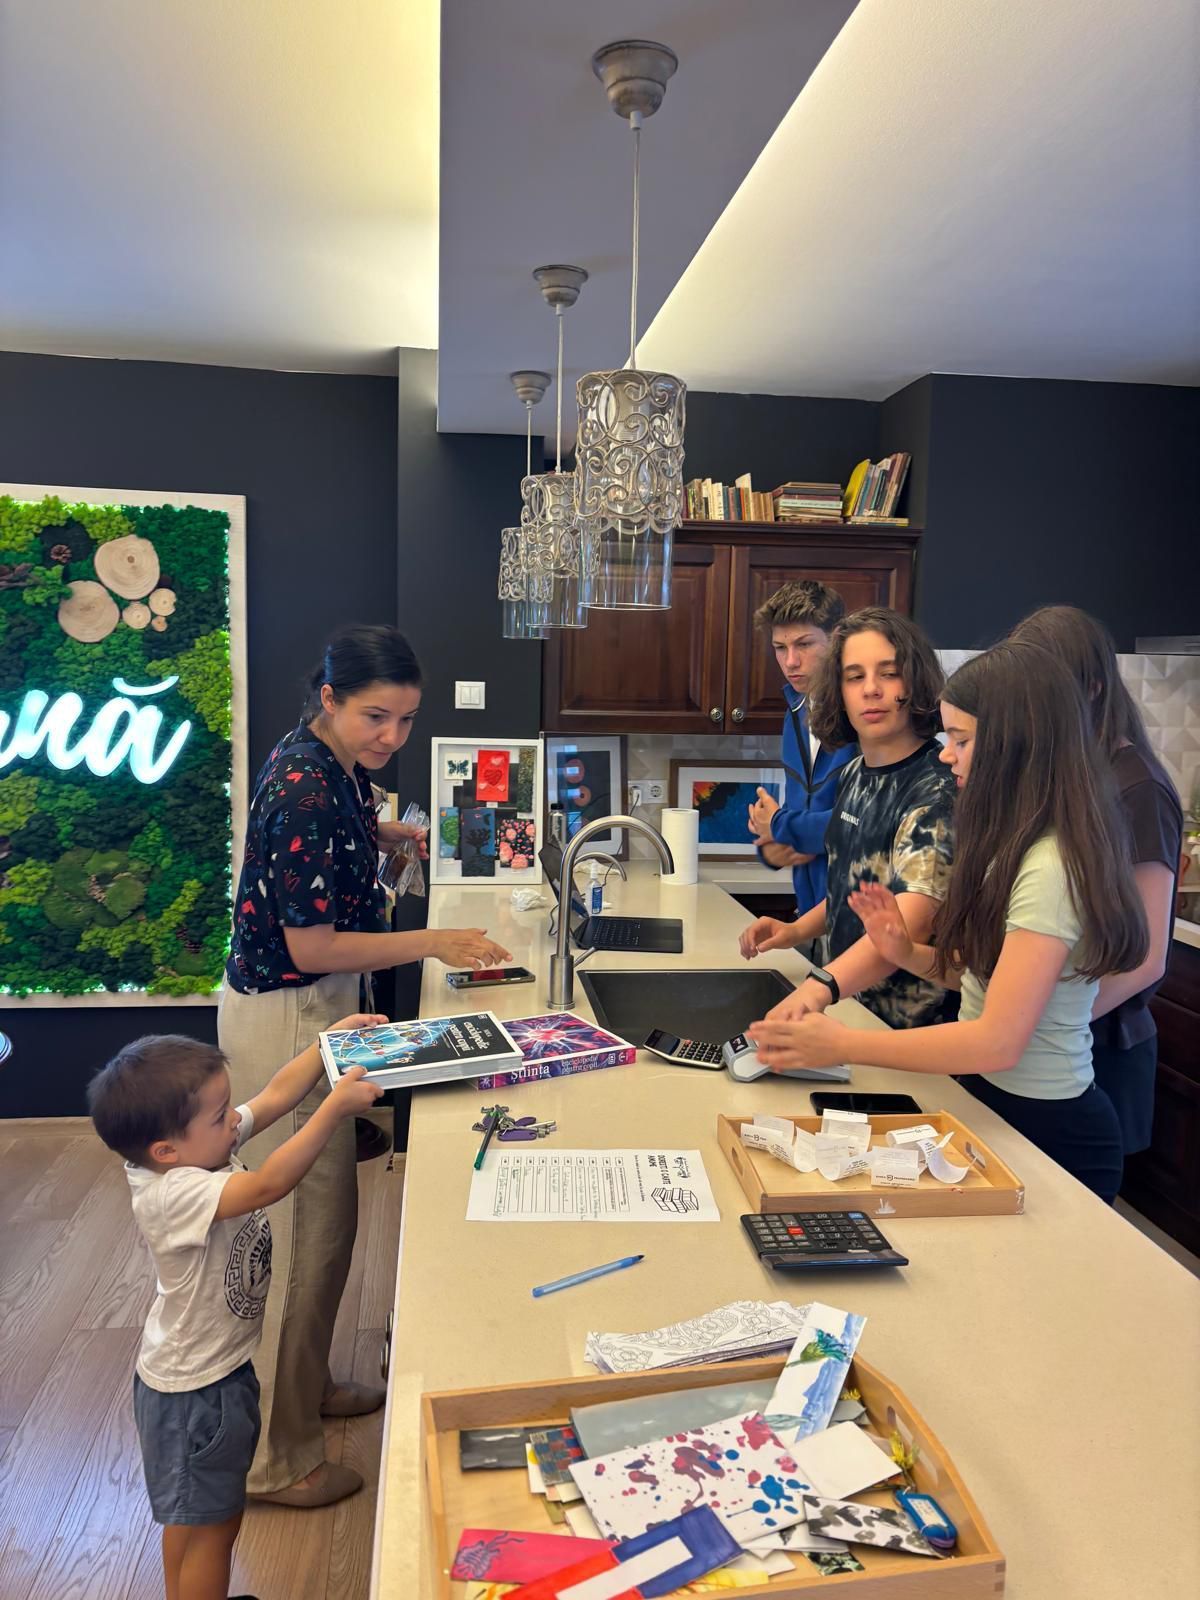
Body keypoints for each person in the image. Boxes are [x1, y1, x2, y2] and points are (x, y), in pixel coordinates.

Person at [219, 624, 511, 1507]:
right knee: (303, 1233)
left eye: (406, 720)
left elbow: (326, 852)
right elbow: (309, 946)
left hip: (317, 1008)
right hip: (290, 1012)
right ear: (330, 699)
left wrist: (380, 836)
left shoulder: (332, 768)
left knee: (330, 1224)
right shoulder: (307, 789)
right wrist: (436, 940)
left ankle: (305, 1387)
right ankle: (275, 1459)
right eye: (376, 716)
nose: (392, 735)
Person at [747, 641, 1149, 1204]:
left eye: (961, 740)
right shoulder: (1013, 845)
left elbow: (997, 1041)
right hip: (992, 1103)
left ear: (1015, 745)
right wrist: (905, 952)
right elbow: (980, 980)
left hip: (1054, 1129)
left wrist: (843, 1043)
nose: (946, 755)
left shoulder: (1050, 867)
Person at [87, 1020, 385, 1600]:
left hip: (204, 1380)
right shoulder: (172, 1192)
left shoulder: (195, 1152)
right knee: (213, 1531)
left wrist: (325, 1045)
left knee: (192, 1519)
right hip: (199, 1395)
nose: (234, 1120)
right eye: (220, 1115)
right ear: (166, 1150)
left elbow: (273, 1097)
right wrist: (334, 1110)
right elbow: (270, 1183)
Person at [1009, 605, 1182, 1155]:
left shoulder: (1138, 789)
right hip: (1050, 1046)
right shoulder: (1072, 775)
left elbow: (1147, 959)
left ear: (1091, 689)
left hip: (1099, 1047)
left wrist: (1042, 1026)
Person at [739, 607, 956, 1029]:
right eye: (855, 677)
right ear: (838, 692)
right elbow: (854, 887)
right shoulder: (856, 772)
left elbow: (907, 926)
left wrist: (817, 989)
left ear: (916, 682)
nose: (871, 690)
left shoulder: (936, 792)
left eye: (889, 674)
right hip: (851, 1009)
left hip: (909, 1030)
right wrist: (796, 930)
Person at [744, 581, 856, 920]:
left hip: (859, 918)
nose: (790, 661)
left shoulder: (863, 714)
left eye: (804, 644)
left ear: (836, 638)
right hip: (811, 917)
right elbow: (797, 818)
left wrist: (779, 825)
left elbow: (861, 823)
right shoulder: (795, 710)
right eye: (780, 647)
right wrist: (772, 850)